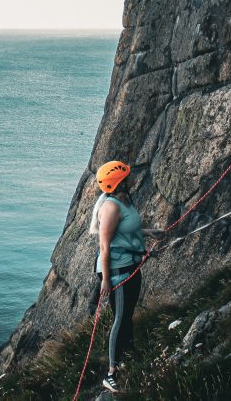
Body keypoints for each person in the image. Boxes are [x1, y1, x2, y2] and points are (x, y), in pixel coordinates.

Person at [87, 160, 162, 393]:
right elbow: (105, 246)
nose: (131, 179)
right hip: (117, 271)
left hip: (131, 265)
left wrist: (149, 233)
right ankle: (111, 373)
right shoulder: (110, 207)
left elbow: (127, 230)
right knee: (120, 318)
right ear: (119, 182)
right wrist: (107, 280)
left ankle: (127, 355)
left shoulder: (124, 202)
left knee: (127, 314)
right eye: (127, 177)